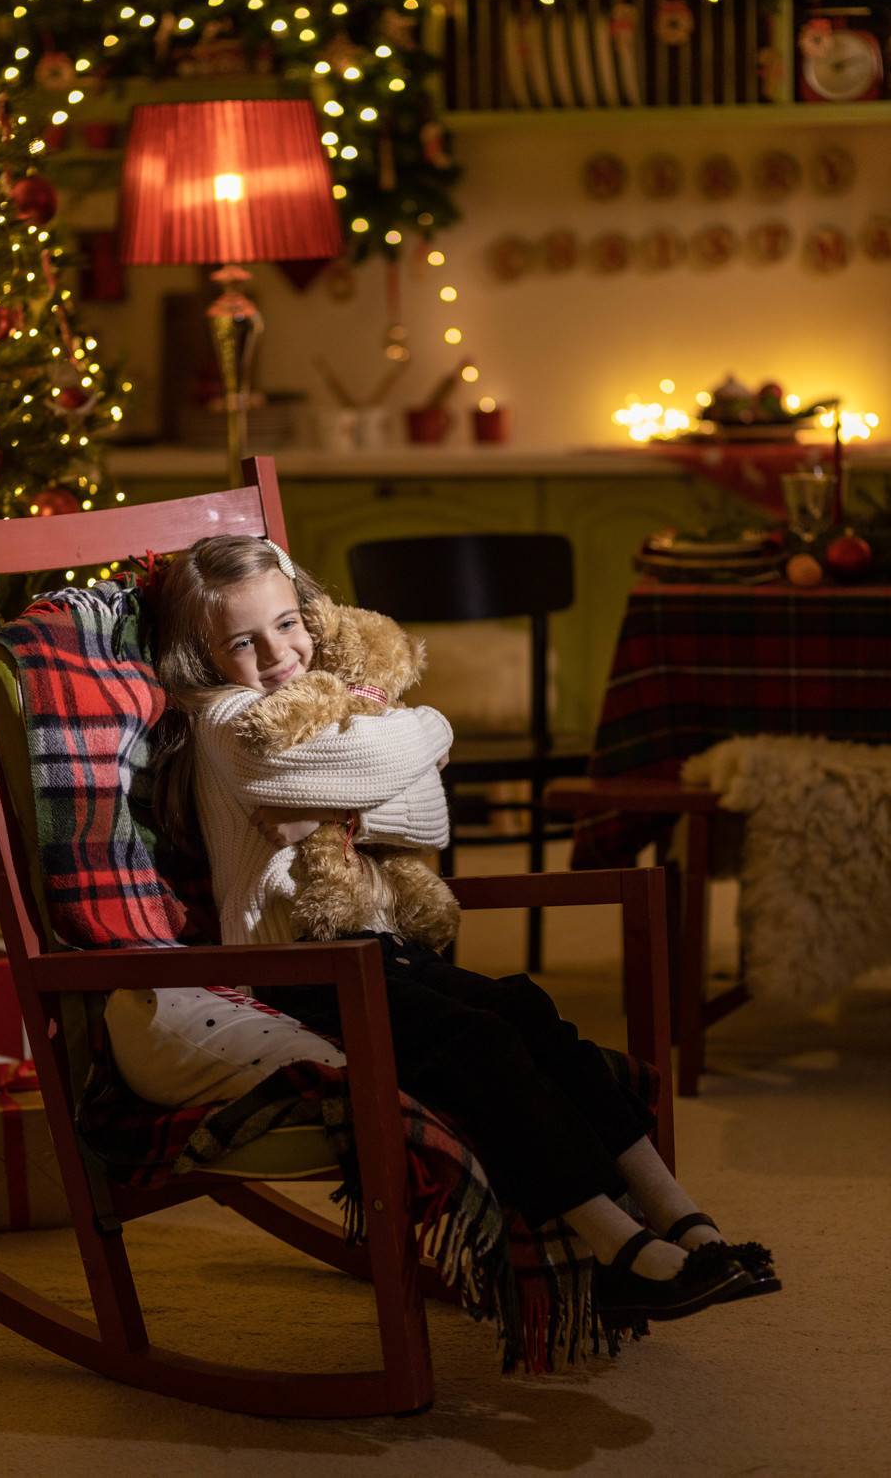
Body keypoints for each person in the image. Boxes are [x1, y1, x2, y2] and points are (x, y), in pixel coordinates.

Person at [148, 533, 780, 1324]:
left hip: (377, 949)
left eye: (286, 624)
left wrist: (352, 797)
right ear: (203, 658)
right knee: (477, 1044)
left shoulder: (327, 700)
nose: (279, 654)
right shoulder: (227, 719)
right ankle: (614, 1249)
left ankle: (681, 1218)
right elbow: (388, 768)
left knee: (523, 1009)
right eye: (243, 642)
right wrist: (430, 733)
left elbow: (428, 819)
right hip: (297, 973)